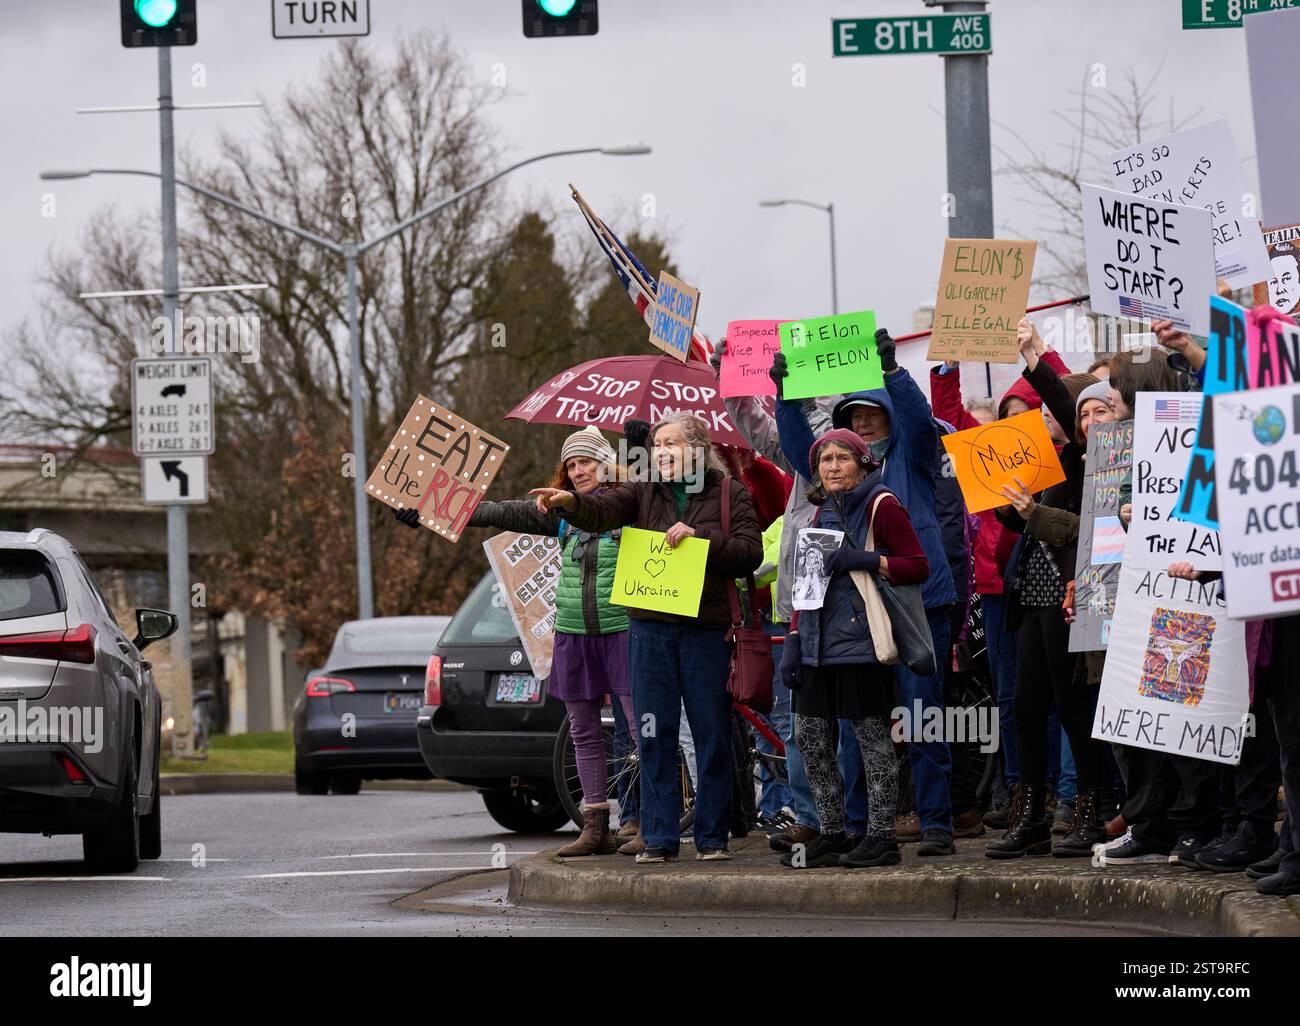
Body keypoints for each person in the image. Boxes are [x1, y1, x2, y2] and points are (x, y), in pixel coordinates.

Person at [530, 411, 763, 863]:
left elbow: (750, 555)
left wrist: (701, 539)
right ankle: (659, 839)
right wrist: (572, 504)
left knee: (711, 732)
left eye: (671, 444)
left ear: (697, 449)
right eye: (657, 446)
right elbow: (601, 512)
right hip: (650, 629)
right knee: (653, 735)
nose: (662, 453)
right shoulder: (640, 490)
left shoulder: (729, 492)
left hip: (704, 631)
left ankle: (713, 837)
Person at [395, 426, 637, 857]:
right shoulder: (557, 511)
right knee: (583, 730)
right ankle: (596, 826)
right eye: (572, 464)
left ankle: (645, 820)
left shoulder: (632, 503)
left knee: (640, 729)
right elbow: (498, 512)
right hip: (574, 631)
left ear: (606, 462)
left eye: (586, 461)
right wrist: (430, 511)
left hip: (624, 629)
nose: (579, 470)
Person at [776, 329, 959, 856]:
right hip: (852, 621)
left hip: (914, 605)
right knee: (862, 727)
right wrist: (787, 394)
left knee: (922, 718)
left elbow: (921, 422)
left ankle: (937, 824)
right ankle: (858, 827)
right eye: (852, 418)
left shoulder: (912, 457)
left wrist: (895, 376)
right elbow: (798, 449)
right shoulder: (832, 483)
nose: (860, 424)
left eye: (870, 415)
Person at [986, 319, 1116, 859]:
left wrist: (1036, 354)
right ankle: (1032, 815)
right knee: (1026, 706)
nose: (1075, 420)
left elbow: (1066, 408)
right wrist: (1007, 500)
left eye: (1093, 411)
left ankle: (1090, 808)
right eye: (1078, 412)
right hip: (1033, 598)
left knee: (1074, 708)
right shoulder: (1046, 460)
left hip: (1073, 596)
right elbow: (1018, 523)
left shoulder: (1092, 458)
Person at [929, 347, 1074, 831]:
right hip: (999, 589)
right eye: (1007, 417)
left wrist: (1038, 351)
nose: (1014, 426)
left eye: (1026, 415)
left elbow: (1068, 396)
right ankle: (1020, 790)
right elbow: (948, 420)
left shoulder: (1061, 456)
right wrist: (948, 368)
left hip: (1054, 585)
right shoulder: (987, 452)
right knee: (1014, 698)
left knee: (1059, 695)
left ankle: (1059, 791)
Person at [777, 429, 931, 868]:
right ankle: (831, 831)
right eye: (825, 460)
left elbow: (916, 565)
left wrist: (865, 559)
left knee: (872, 740)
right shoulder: (818, 511)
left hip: (862, 644)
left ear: (863, 463)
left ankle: (881, 837)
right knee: (810, 737)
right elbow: (808, 587)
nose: (832, 467)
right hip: (815, 646)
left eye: (841, 458)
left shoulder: (882, 505)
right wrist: (792, 638)